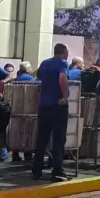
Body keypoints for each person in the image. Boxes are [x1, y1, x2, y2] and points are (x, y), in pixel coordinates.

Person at [33, 43, 70, 182]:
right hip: (57, 105)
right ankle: (57, 171)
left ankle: (37, 171)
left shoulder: (44, 63)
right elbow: (62, 77)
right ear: (64, 52)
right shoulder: (62, 63)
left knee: (42, 139)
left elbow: (39, 78)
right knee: (59, 139)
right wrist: (64, 96)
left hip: (44, 105)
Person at [10, 61, 34, 162]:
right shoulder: (30, 79)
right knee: (28, 132)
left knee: (17, 131)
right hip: (28, 108)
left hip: (16, 108)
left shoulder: (17, 78)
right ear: (28, 69)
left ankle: (15, 154)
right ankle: (27, 154)